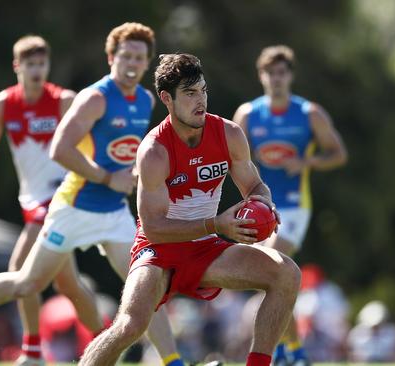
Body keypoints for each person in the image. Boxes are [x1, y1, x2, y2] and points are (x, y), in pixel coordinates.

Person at [0, 22, 187, 366]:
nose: (132, 63)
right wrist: (107, 178)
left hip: (114, 214)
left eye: (139, 57)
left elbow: (130, 149)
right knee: (26, 283)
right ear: (111, 58)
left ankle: (174, 362)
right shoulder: (94, 98)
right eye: (125, 55)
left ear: (147, 61)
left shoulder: (145, 99)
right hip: (73, 207)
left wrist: (138, 171)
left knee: (146, 287)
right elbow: (60, 149)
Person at [79, 53, 301, 366]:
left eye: (203, 91)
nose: (201, 101)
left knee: (286, 273)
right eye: (190, 93)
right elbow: (154, 227)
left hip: (208, 248)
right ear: (167, 98)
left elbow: (254, 186)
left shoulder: (228, 133)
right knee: (131, 325)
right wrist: (217, 225)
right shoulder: (154, 151)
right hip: (159, 250)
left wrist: (264, 202)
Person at [0, 34, 103, 366]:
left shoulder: (64, 101)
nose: (38, 70)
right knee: (69, 285)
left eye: (42, 64)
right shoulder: (3, 104)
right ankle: (106, 342)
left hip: (62, 197)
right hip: (32, 200)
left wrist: (95, 178)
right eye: (31, 64)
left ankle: (32, 351)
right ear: (17, 67)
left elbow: (89, 142)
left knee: (20, 272)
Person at [233, 45, 348, 366]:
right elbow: (231, 157)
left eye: (282, 72)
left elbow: (337, 153)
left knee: (269, 267)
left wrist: (307, 161)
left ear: (290, 76)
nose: (276, 79)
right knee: (274, 280)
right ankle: (293, 351)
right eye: (270, 73)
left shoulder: (309, 113)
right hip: (261, 208)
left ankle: (280, 352)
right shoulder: (248, 114)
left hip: (295, 208)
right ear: (261, 76)